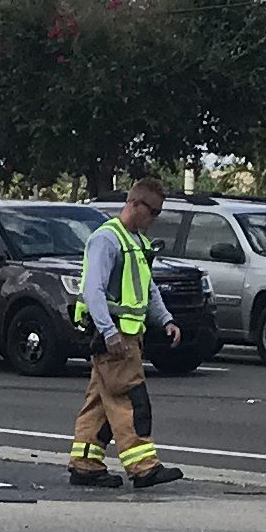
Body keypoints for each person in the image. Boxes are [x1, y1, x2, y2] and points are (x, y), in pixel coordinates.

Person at [70, 176, 185, 488]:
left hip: (127, 335)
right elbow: (93, 290)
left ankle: (85, 464)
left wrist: (166, 320)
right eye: (154, 211)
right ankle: (144, 467)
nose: (155, 218)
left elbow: (147, 288)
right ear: (135, 204)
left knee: (99, 402)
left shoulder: (136, 241)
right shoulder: (107, 240)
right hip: (116, 338)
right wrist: (109, 332)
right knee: (130, 401)